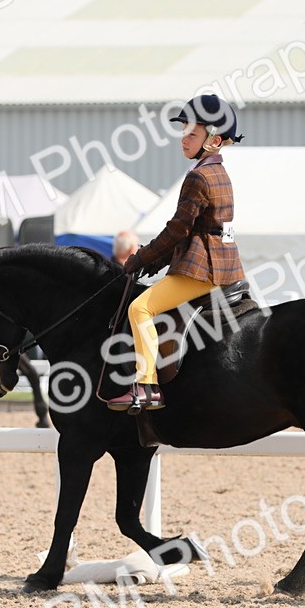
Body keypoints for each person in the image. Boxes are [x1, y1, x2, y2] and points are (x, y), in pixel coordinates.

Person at [106, 94, 245, 412]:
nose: (184, 139)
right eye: (184, 132)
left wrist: (140, 258)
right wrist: (155, 260)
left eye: (192, 134)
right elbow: (192, 232)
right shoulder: (219, 173)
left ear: (214, 141)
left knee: (140, 309)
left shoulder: (198, 176)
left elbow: (178, 230)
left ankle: (146, 386)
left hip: (203, 270)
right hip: (223, 265)